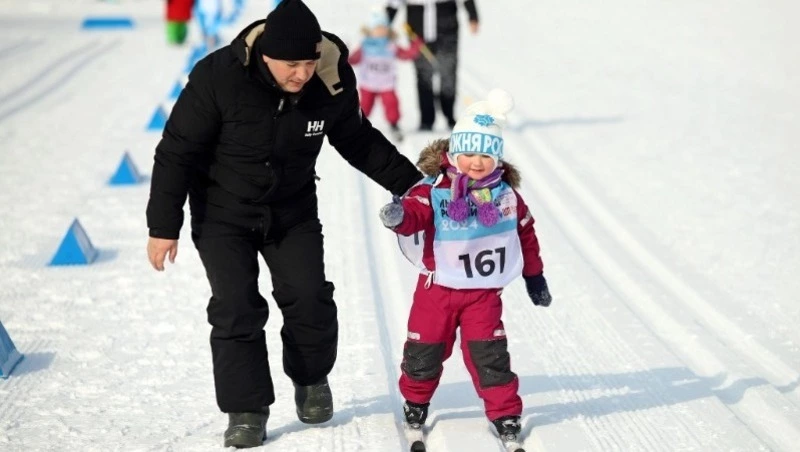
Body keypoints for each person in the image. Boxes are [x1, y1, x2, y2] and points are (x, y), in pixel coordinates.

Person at [145, 0, 423, 448]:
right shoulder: (218, 76)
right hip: (222, 212)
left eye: (308, 62)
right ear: (265, 55)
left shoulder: (329, 77)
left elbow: (357, 139)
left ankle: (311, 379)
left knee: (309, 297)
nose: (302, 74)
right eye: (291, 65)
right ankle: (246, 409)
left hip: (292, 209)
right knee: (236, 307)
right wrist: (163, 225)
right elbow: (177, 151)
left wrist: (415, 186)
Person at [378, 89, 552, 449]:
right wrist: (399, 217)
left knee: (490, 355)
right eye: (469, 153)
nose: (476, 162)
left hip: (483, 295)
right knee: (425, 351)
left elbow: (525, 233)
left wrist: (534, 276)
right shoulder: (434, 190)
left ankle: (505, 413)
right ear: (454, 154)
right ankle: (415, 402)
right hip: (437, 292)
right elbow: (416, 214)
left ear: (497, 159)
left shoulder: (505, 196)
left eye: (486, 155)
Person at [386, 0, 479, 131]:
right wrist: (384, 24)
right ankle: (426, 119)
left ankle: (449, 115)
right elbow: (394, 3)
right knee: (423, 76)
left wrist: (473, 16)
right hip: (418, 33)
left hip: (447, 28)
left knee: (448, 74)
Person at [348, 9, 423, 142]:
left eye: (383, 28)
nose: (380, 31)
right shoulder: (365, 46)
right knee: (364, 105)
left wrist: (416, 46)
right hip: (368, 83)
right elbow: (354, 59)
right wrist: (344, 56)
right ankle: (357, 124)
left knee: (391, 104)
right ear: (370, 30)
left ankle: (394, 124)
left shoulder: (391, 45)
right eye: (377, 28)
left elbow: (406, 54)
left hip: (386, 83)